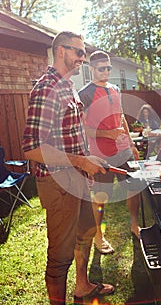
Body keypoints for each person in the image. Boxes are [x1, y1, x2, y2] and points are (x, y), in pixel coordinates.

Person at [22, 32, 114, 305]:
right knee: (60, 256)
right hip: (58, 182)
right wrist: (80, 161)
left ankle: (82, 286)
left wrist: (89, 158)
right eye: (79, 52)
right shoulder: (46, 88)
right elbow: (31, 149)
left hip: (78, 177)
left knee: (85, 233)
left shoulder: (68, 86)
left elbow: (72, 132)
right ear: (61, 51)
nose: (83, 59)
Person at [78, 50, 141, 254]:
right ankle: (98, 235)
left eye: (108, 68)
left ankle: (134, 224)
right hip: (100, 154)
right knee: (102, 196)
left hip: (124, 150)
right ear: (91, 69)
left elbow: (121, 117)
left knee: (134, 187)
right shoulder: (84, 94)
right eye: (101, 68)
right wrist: (107, 134)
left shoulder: (115, 88)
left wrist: (131, 144)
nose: (106, 71)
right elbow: (81, 128)